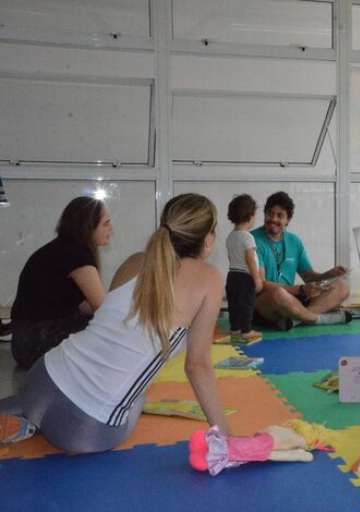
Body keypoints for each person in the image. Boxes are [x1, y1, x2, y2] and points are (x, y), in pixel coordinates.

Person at [0, 193, 233, 453]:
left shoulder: (134, 261)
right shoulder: (209, 278)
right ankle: (38, 419)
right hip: (84, 429)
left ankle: (28, 417)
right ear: (208, 238)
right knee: (138, 396)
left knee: (108, 377)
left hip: (41, 377)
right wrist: (226, 438)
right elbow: (197, 365)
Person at [10, 196, 112, 369]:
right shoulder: (76, 255)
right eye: (105, 223)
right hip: (35, 344)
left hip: (24, 343)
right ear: (88, 226)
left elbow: (83, 306)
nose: (110, 229)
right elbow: (103, 308)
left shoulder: (63, 249)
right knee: (109, 328)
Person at [252, 192, 350, 330]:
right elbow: (261, 284)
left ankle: (297, 320)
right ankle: (317, 319)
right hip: (267, 301)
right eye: (270, 214)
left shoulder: (294, 241)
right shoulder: (252, 240)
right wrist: (301, 290)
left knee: (342, 286)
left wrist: (328, 275)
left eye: (280, 215)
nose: (273, 219)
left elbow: (308, 276)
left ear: (288, 220)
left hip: (293, 300)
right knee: (279, 293)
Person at [225, 194, 263, 343]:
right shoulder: (247, 237)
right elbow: (250, 259)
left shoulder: (231, 236)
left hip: (232, 275)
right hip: (245, 277)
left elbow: (230, 257)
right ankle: (246, 330)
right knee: (247, 304)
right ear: (251, 216)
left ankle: (235, 329)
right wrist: (257, 278)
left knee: (234, 303)